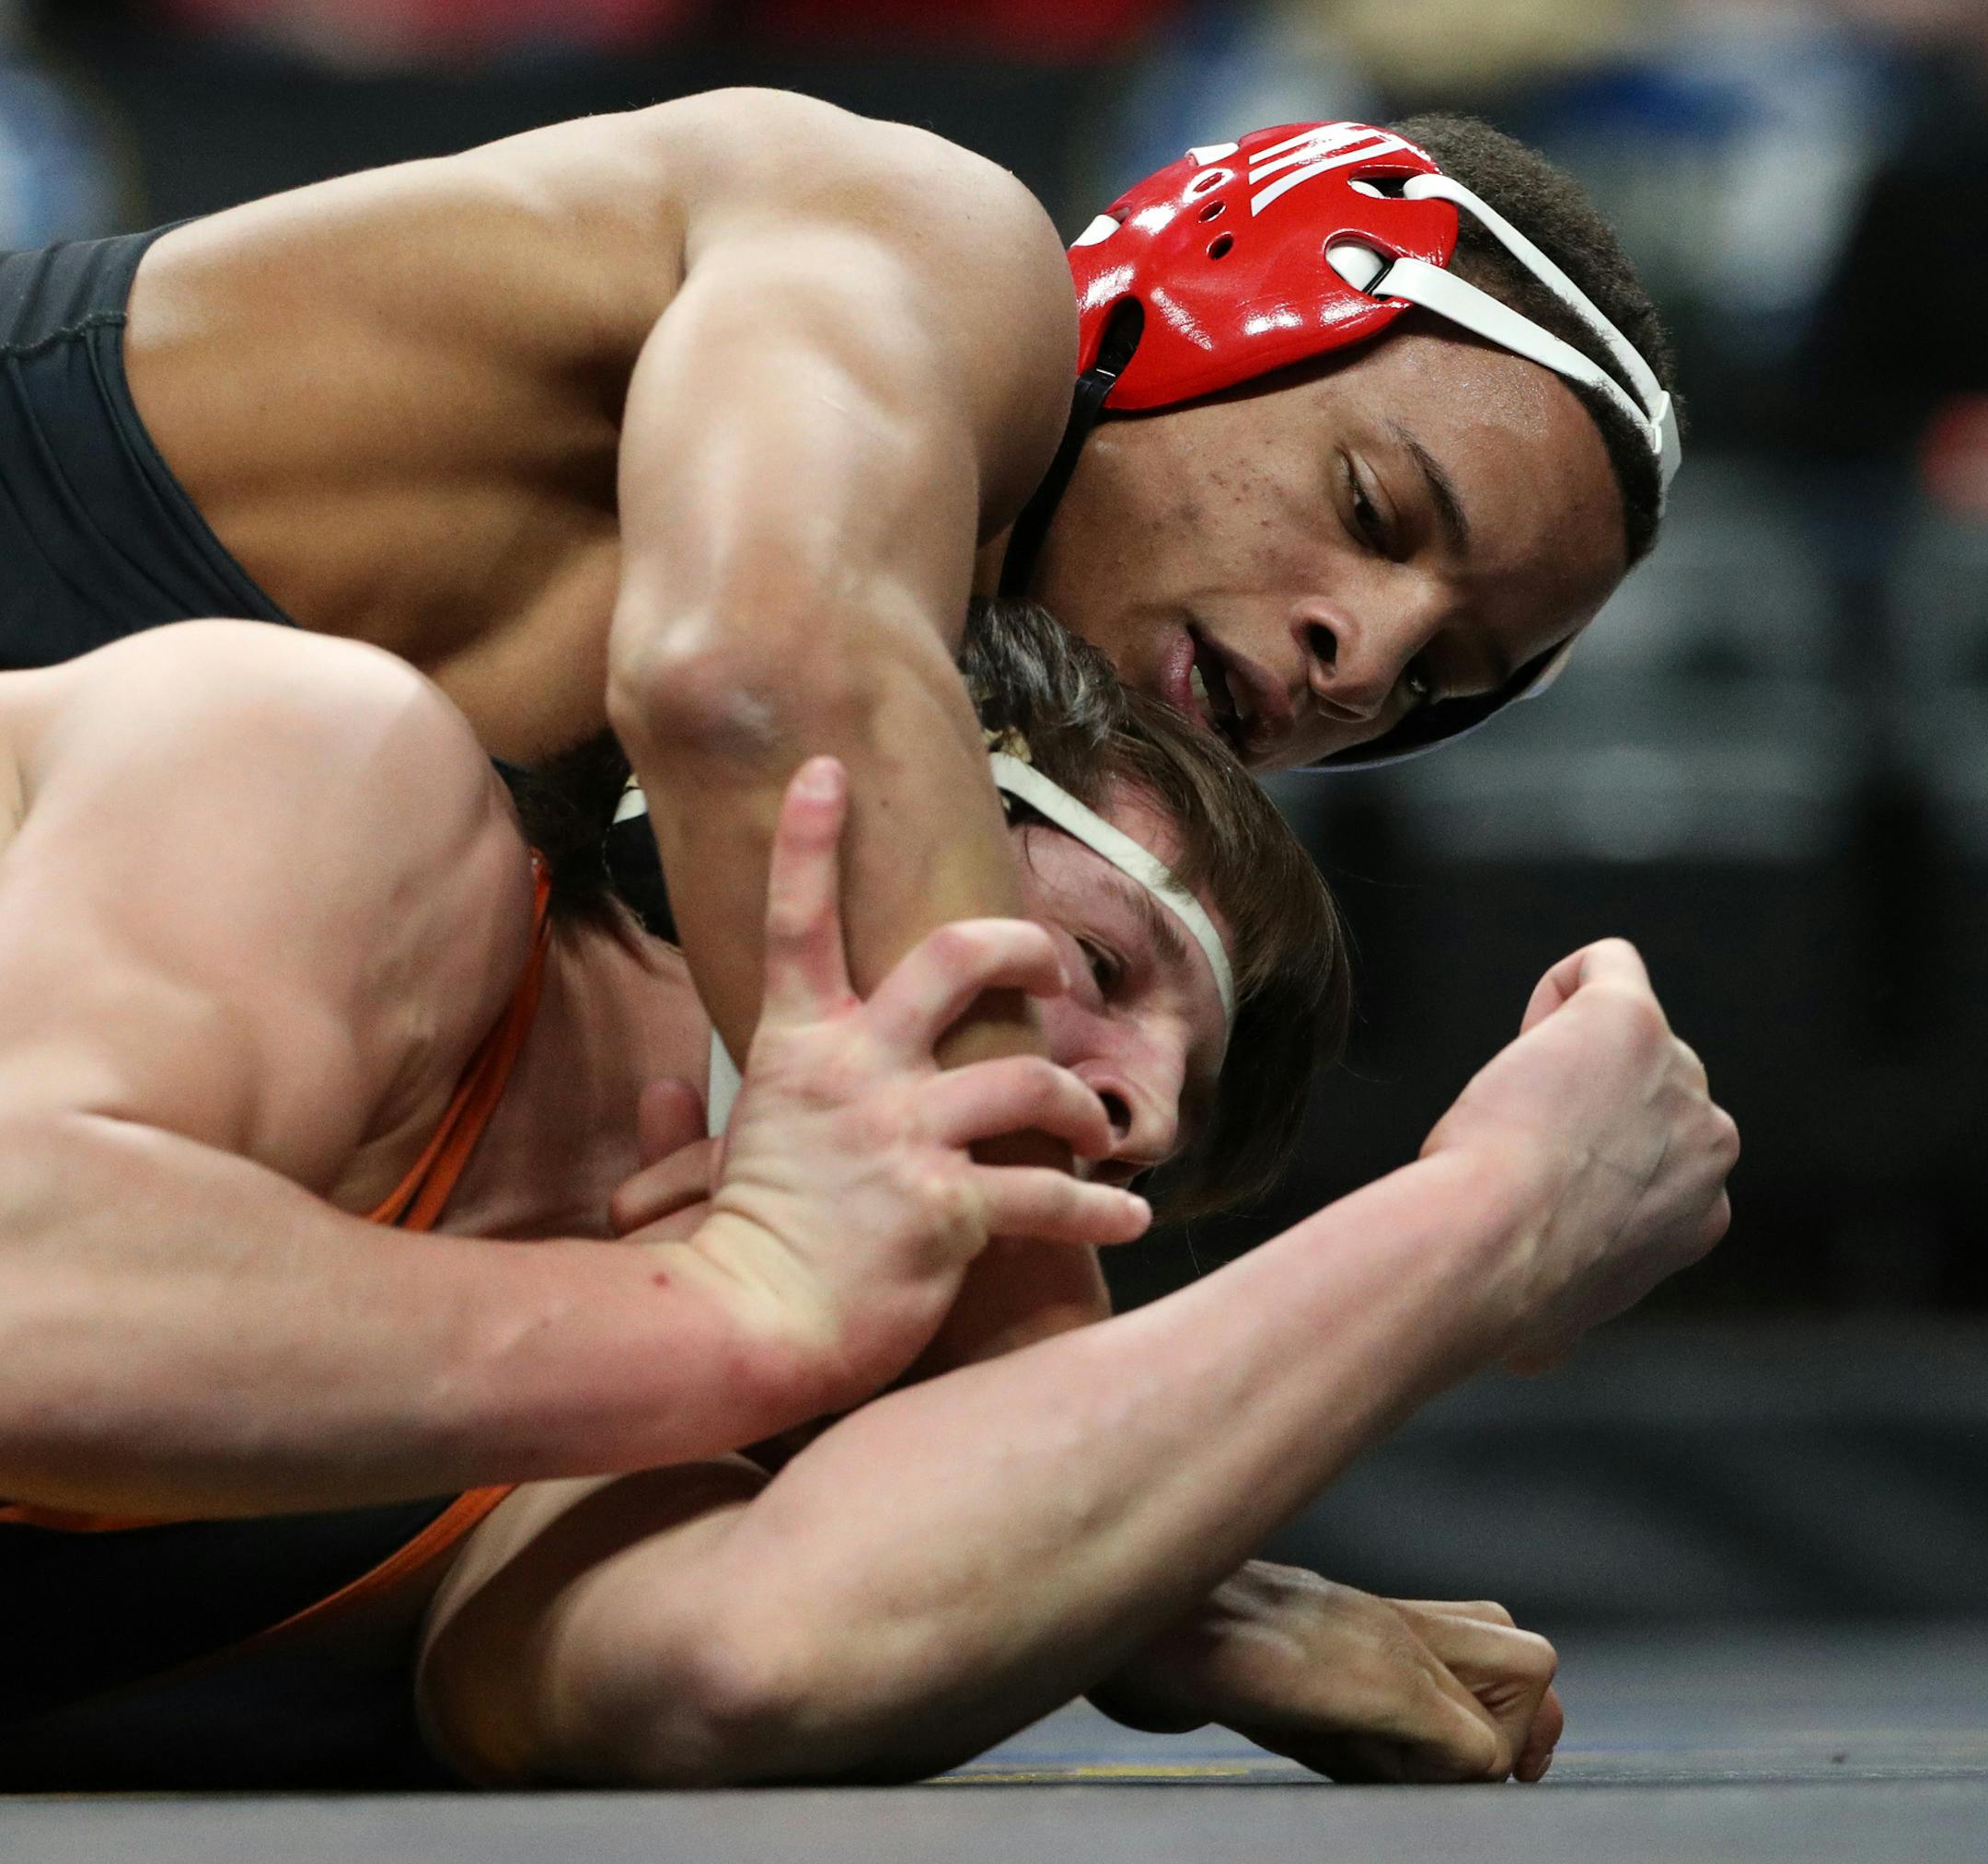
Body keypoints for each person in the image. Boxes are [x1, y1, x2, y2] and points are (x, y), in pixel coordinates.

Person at [0, 605, 1732, 1787]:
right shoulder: (321, 765)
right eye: (1099, 959)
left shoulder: (624, 1428)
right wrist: (739, 1308)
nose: (1118, 1107)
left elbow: (735, 1662)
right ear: (881, 804)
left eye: (1153, 1123)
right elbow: (34, 1304)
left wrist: (1479, 1219)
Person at [0, 98, 1682, 1293]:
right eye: (1375, 514)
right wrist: (1070, 1464)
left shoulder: (885, 751)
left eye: (1439, 679)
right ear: (1209, 284)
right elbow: (745, 671)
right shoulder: (936, 245)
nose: (1364, 661)